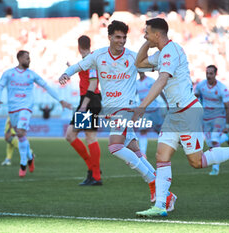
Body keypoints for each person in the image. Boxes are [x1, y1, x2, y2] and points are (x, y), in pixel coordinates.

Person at [132, 18, 229, 217]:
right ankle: (160, 205)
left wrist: (143, 106)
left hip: (187, 111)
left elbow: (161, 80)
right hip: (174, 114)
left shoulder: (172, 51)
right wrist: (147, 42)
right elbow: (139, 63)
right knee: (161, 156)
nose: (144, 35)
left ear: (158, 34)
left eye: (147, 32)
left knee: (196, 161)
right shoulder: (161, 54)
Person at [59, 20, 177, 209]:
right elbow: (78, 66)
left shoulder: (133, 57)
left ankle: (151, 183)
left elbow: (155, 64)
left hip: (114, 107)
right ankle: (165, 193)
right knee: (135, 152)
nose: (122, 41)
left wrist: (169, 58)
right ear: (110, 37)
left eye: (124, 37)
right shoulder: (97, 56)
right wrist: (66, 73)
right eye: (118, 37)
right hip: (106, 110)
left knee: (112, 146)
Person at [0, 50, 72, 177]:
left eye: (29, 58)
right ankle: (30, 157)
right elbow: (0, 87)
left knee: (20, 132)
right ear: (19, 59)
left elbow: (47, 87)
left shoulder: (32, 75)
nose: (29, 60)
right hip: (13, 109)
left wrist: (61, 100)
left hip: (26, 107)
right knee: (20, 136)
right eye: (27, 58)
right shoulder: (9, 74)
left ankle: (23, 164)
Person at [64, 35, 103, 186]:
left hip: (90, 100)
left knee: (90, 137)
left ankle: (96, 175)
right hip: (88, 100)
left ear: (79, 47)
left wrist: (84, 104)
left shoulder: (91, 61)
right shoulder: (86, 61)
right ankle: (93, 170)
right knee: (70, 135)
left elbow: (93, 84)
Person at [195, 65, 229, 176]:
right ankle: (226, 137)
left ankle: (215, 168)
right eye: (207, 73)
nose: (208, 76)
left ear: (215, 74)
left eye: (211, 73)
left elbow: (227, 107)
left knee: (215, 140)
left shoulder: (222, 88)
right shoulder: (201, 85)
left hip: (218, 117)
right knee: (210, 143)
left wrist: (227, 125)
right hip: (206, 117)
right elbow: (194, 96)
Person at [136, 72, 168, 154]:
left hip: (154, 110)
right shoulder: (136, 83)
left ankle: (166, 147)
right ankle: (143, 153)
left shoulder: (151, 81)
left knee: (159, 131)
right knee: (143, 131)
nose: (140, 72)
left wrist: (166, 102)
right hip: (144, 111)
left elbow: (159, 91)